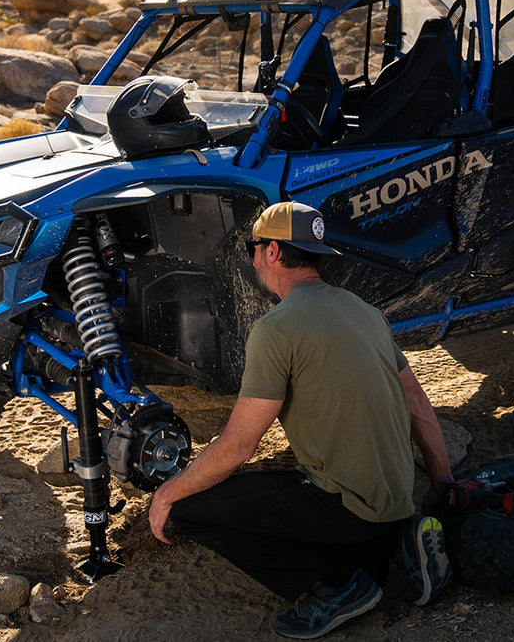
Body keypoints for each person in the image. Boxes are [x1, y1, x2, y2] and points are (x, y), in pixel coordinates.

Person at [147, 201, 455, 639]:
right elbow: (418, 403)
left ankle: (337, 587)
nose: (253, 259)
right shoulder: (364, 311)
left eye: (253, 248)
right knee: (344, 525)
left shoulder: (276, 329)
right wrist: (441, 481)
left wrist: (166, 493)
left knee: (190, 508)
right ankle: (400, 540)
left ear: (272, 251)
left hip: (347, 507)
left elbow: (238, 447)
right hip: (398, 497)